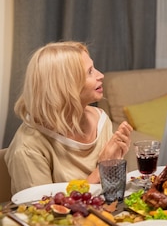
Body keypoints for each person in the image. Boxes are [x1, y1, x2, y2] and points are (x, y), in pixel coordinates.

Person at [5, 41, 133, 194]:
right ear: (65, 85)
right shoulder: (28, 147)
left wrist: (116, 165)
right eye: (90, 72)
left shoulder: (101, 120)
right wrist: (101, 170)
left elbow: (114, 192)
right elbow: (42, 213)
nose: (101, 75)